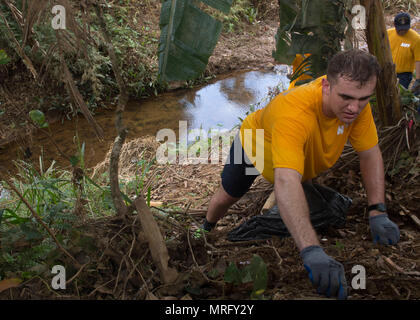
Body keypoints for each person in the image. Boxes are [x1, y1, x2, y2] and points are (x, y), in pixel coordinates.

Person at [201, 49, 400, 299]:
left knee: (306, 189)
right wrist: (311, 250)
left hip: (298, 156)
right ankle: (205, 229)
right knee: (228, 196)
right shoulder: (294, 112)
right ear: (326, 86)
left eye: (363, 99)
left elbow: (370, 154)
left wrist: (377, 210)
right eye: (347, 98)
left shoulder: (355, 105)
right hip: (257, 145)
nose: (354, 107)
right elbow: (286, 179)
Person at [387, 12, 420, 94]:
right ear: (394, 25)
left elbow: (418, 60)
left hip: (404, 75)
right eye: (400, 29)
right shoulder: (388, 34)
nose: (402, 32)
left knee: (399, 96)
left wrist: (418, 79)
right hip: (387, 71)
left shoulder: (416, 39)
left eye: (405, 29)